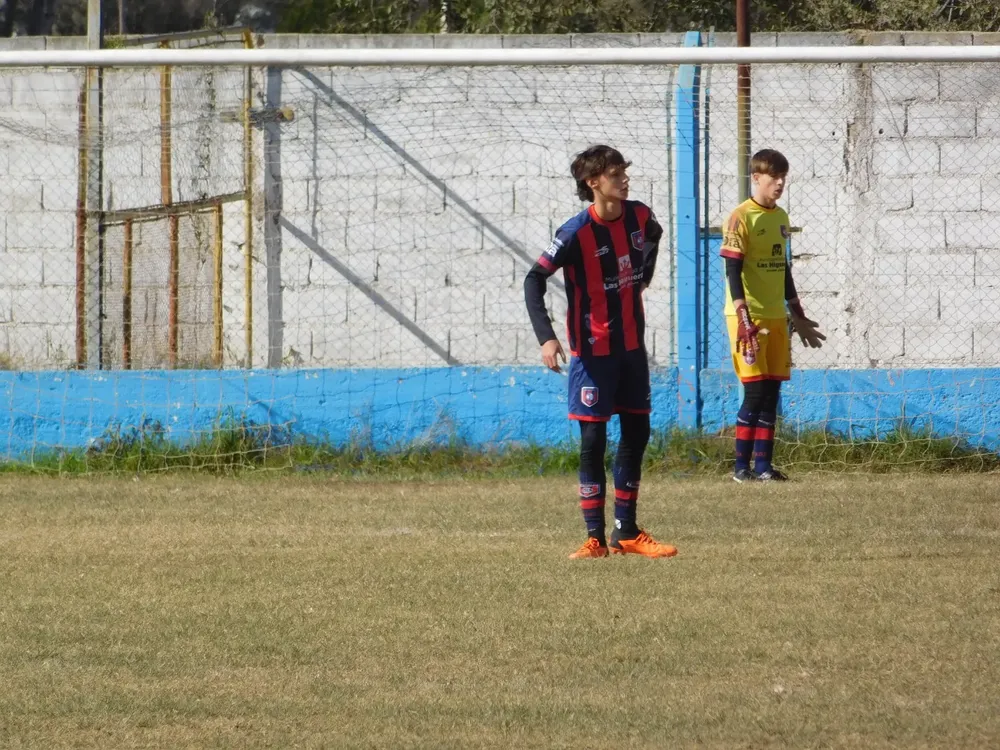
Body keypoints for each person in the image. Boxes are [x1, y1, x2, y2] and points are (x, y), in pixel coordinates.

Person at [523, 145, 678, 560]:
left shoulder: (639, 215)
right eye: (615, 173)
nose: (624, 179)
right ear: (593, 183)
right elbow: (534, 279)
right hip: (593, 355)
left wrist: (643, 275)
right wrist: (547, 337)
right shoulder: (574, 233)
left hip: (631, 349)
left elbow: (655, 236)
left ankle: (626, 531)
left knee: (637, 433)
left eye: (624, 171)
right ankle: (593, 537)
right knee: (593, 439)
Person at [720, 148, 826, 482]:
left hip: (775, 316)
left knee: (771, 393)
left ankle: (764, 467)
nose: (779, 183)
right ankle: (740, 469)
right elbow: (732, 270)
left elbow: (783, 270)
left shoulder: (780, 217)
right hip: (747, 318)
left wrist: (798, 315)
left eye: (783, 177)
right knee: (753, 391)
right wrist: (742, 314)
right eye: (773, 177)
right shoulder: (741, 217)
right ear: (757, 178)